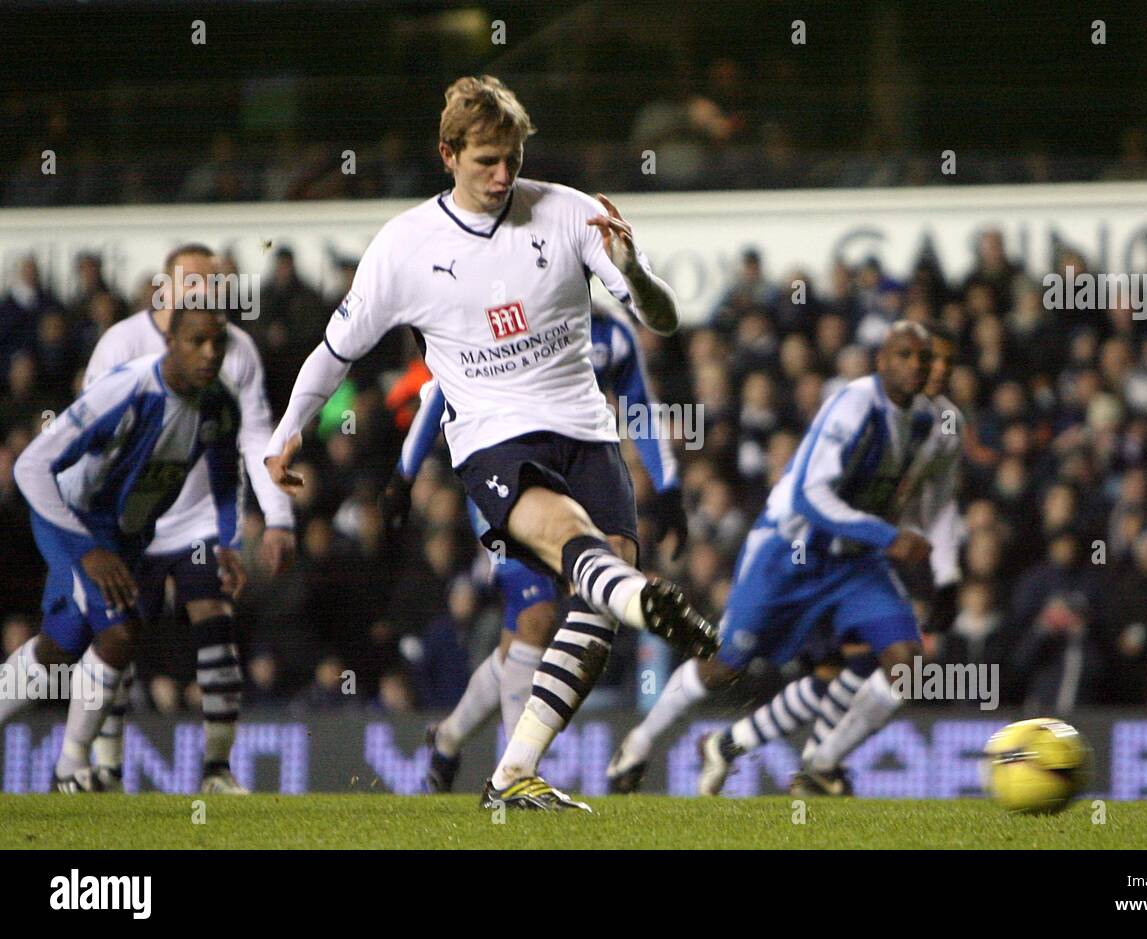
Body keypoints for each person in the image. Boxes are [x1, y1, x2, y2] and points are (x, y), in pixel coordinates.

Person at [263, 75, 717, 812]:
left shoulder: (569, 213)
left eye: (512, 157)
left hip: (585, 432)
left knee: (594, 612)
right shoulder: (406, 245)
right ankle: (640, 597)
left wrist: (633, 270)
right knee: (567, 568)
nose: (504, 175)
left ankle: (513, 773)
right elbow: (333, 351)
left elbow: (659, 318)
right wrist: (287, 436)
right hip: (493, 441)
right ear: (447, 154)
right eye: (486, 161)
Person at [607, 322, 954, 795]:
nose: (918, 366)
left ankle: (818, 765)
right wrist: (888, 535)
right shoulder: (854, 406)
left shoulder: (931, 424)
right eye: (905, 355)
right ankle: (642, 742)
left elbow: (937, 503)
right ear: (882, 361)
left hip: (854, 563)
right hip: (791, 552)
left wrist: (944, 573)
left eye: (925, 358)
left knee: (903, 667)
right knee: (726, 663)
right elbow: (811, 496)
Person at [383, 303, 688, 793]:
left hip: (581, 477)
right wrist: (404, 475)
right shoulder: (517, 314)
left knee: (532, 632)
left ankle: (451, 736)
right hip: (507, 476)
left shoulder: (612, 335)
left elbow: (640, 408)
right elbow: (441, 389)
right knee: (536, 618)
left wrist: (667, 487)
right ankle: (518, 773)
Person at [78, 244, 296, 794]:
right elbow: (87, 437)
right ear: (166, 289)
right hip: (129, 523)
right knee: (117, 639)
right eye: (194, 283)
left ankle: (217, 770)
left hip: (198, 519)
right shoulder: (121, 344)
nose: (206, 293)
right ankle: (104, 766)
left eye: (215, 283)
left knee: (216, 622)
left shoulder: (237, 349)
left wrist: (277, 517)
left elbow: (254, 436)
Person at [4, 303, 244, 792]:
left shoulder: (220, 406)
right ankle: (71, 768)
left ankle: (71, 767)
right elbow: (30, 466)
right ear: (170, 342)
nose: (210, 354)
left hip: (126, 534)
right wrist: (86, 548)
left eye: (218, 343)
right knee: (121, 630)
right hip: (74, 518)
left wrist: (226, 540)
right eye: (197, 342)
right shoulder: (127, 390)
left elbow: (223, 473)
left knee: (61, 645)